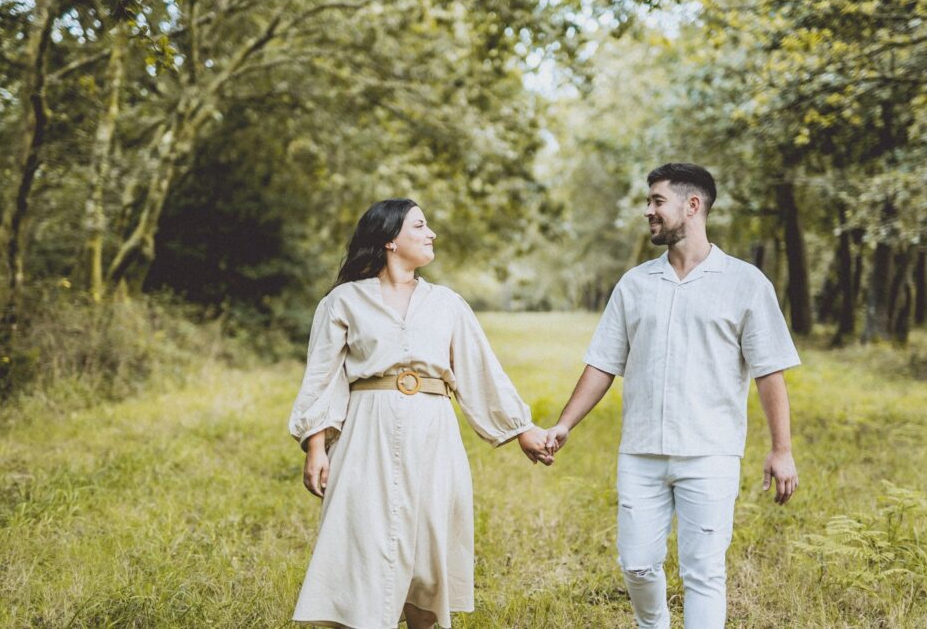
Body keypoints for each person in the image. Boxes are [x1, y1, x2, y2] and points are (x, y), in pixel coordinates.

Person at [544, 163, 801, 629]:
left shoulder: (745, 283)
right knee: (637, 566)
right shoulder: (635, 284)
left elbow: (769, 372)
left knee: (703, 573)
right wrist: (564, 424)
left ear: (693, 205)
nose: (649, 211)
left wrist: (781, 449)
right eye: (649, 202)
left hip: (710, 452)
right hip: (641, 452)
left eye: (657, 201)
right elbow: (603, 363)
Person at [289, 198, 552, 629]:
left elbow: (480, 369)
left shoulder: (446, 303)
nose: (431, 235)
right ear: (390, 240)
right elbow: (322, 377)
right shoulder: (343, 302)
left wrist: (521, 429)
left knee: (429, 557)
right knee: (365, 546)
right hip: (365, 436)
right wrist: (316, 447)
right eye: (420, 226)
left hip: (434, 435)